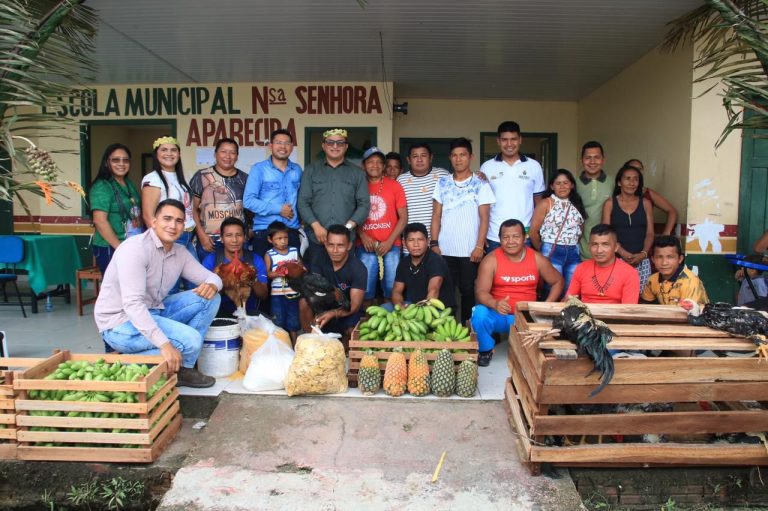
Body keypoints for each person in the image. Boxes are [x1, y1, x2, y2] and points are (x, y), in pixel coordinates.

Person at [94, 199, 222, 388]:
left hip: (153, 311)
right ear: (154, 222)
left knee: (211, 298)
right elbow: (133, 305)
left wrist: (212, 285)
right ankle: (127, 362)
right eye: (167, 219)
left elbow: (213, 278)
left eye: (179, 221)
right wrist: (165, 344)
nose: (173, 225)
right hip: (120, 323)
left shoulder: (179, 252)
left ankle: (183, 369)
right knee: (191, 340)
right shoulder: (134, 249)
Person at [472, 219, 564, 366]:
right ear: (499, 239)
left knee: (530, 357)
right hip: (499, 316)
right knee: (479, 313)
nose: (511, 241)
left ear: (524, 237)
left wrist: (546, 306)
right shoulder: (491, 260)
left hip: (526, 317)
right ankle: (485, 350)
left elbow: (558, 281)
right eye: (505, 237)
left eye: (516, 236)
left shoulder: (537, 258)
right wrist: (495, 303)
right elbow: (481, 291)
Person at [431, 137, 495, 325]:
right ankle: (447, 332)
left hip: (470, 251)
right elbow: (436, 215)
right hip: (445, 249)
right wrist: (434, 243)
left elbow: (485, 218)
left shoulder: (481, 184)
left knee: (468, 291)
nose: (458, 159)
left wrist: (479, 246)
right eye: (455, 155)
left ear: (471, 157)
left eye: (463, 155)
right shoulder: (442, 183)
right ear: (450, 158)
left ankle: (468, 331)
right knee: (446, 293)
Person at [297, 128, 369, 268]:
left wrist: (347, 229)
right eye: (330, 143)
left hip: (345, 242)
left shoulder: (357, 173)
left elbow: (364, 204)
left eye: (339, 143)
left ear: (346, 146)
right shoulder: (311, 170)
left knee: (343, 285)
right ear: (323, 146)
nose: (335, 146)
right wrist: (316, 227)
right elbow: (303, 202)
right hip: (316, 239)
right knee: (316, 283)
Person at [480, 121, 545, 252]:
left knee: (525, 273)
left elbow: (539, 204)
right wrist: (481, 234)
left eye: (513, 139)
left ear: (520, 140)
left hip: (524, 236)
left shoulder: (534, 166)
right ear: (498, 141)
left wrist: (536, 232)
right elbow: (482, 204)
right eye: (504, 140)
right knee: (496, 272)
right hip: (494, 236)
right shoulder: (487, 167)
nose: (509, 144)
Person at [356, 146, 408, 306]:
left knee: (392, 286)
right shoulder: (358, 185)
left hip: (391, 244)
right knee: (367, 286)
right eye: (370, 162)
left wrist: (389, 242)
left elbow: (404, 218)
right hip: (365, 244)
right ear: (363, 165)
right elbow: (351, 215)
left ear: (384, 166)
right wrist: (363, 235)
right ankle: (368, 322)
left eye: (379, 162)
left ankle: (391, 320)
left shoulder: (394, 185)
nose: (375, 165)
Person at [299, 224, 367, 344]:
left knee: (353, 333)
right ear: (325, 244)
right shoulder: (318, 259)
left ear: (349, 246)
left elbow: (354, 306)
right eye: (331, 245)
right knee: (304, 303)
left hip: (347, 312)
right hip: (324, 307)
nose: (335, 251)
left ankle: (345, 347)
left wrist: (333, 313)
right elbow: (313, 291)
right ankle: (311, 343)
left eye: (340, 245)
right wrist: (321, 312)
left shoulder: (358, 268)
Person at [244, 129, 303, 256]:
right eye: (278, 142)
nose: (283, 146)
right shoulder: (259, 169)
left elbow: (302, 199)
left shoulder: (297, 170)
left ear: (292, 147)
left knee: (293, 273)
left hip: (290, 232)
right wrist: (278, 209)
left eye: (287, 143)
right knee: (264, 274)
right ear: (270, 146)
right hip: (266, 232)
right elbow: (248, 201)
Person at [190, 138, 249, 262]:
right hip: (209, 242)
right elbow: (192, 209)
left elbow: (250, 210)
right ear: (215, 153)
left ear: (237, 156)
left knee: (238, 278)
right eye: (223, 151)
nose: (228, 156)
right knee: (209, 278)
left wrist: (248, 233)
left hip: (237, 241)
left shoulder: (245, 178)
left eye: (232, 152)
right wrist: (201, 235)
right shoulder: (202, 176)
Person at [529, 169, 586, 295]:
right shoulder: (546, 203)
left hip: (573, 251)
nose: (562, 186)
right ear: (552, 186)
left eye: (566, 183)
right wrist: (543, 249)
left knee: (571, 291)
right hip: (551, 250)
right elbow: (533, 232)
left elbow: (581, 228)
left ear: (571, 185)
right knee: (552, 289)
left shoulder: (576, 203)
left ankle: (566, 315)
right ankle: (548, 315)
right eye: (558, 183)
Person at [88, 143, 143, 274]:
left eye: (125, 160)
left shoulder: (127, 183)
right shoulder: (102, 186)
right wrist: (119, 248)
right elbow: (100, 221)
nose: (121, 164)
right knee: (116, 290)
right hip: (111, 247)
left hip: (131, 243)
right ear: (107, 163)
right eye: (115, 160)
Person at [140, 136, 196, 260]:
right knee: (172, 279)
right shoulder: (152, 179)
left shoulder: (182, 177)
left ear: (179, 154)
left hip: (188, 235)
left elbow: (189, 207)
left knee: (196, 278)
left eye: (173, 150)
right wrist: (163, 242)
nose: (169, 153)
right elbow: (148, 216)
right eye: (164, 150)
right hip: (170, 237)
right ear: (156, 154)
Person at [201, 217, 268, 318]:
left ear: (245, 237)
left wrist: (251, 277)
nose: (234, 240)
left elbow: (263, 295)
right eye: (229, 235)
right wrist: (221, 277)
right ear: (222, 239)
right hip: (218, 314)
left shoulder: (255, 259)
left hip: (249, 314)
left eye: (239, 235)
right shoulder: (212, 260)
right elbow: (204, 298)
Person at [602, 164, 654, 289]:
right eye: (628, 178)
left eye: (636, 179)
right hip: (616, 259)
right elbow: (606, 234)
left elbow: (650, 233)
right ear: (619, 183)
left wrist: (643, 254)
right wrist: (621, 251)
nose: (632, 183)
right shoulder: (610, 203)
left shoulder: (646, 203)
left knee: (641, 298)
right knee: (616, 295)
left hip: (642, 261)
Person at [566, 224, 640, 304]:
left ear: (616, 247)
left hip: (617, 315)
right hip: (585, 315)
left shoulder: (629, 273)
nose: (599, 250)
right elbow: (570, 299)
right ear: (589, 246)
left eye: (605, 244)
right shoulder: (581, 268)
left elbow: (628, 310)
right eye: (594, 244)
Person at [390, 222, 455, 310]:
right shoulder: (404, 263)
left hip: (438, 308)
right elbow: (396, 292)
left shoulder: (435, 261)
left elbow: (433, 291)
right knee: (385, 307)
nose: (416, 244)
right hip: (416, 305)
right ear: (404, 242)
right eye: (411, 240)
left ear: (427, 241)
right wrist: (400, 306)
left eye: (420, 239)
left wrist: (420, 312)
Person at [397, 142, 450, 241]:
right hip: (411, 242)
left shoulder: (443, 176)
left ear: (430, 158)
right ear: (408, 160)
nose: (419, 159)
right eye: (415, 156)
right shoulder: (401, 180)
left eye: (423, 155)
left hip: (439, 241)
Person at [641, 235, 709, 307]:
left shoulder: (690, 281)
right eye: (659, 257)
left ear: (680, 259)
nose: (664, 263)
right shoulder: (652, 280)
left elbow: (689, 314)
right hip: (668, 316)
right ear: (653, 259)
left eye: (670, 257)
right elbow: (645, 306)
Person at [264, 220, 301, 342]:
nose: (283, 241)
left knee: (293, 321)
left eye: (285, 237)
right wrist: (280, 272)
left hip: (293, 292)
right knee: (278, 320)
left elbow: (301, 268)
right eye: (279, 238)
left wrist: (296, 270)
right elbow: (268, 273)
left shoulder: (294, 251)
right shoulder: (269, 254)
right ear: (270, 240)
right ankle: (280, 345)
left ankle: (295, 345)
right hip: (277, 295)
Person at [576, 141, 614, 260]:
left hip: (606, 251)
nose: (592, 162)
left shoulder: (614, 183)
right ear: (581, 160)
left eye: (596, 157)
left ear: (603, 160)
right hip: (578, 251)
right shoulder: (572, 185)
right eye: (588, 158)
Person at [623, 159, 678, 236]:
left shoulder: (648, 193)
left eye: (640, 169)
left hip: (646, 240)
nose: (637, 171)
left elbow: (672, 211)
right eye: (633, 168)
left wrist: (666, 233)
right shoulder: (617, 195)